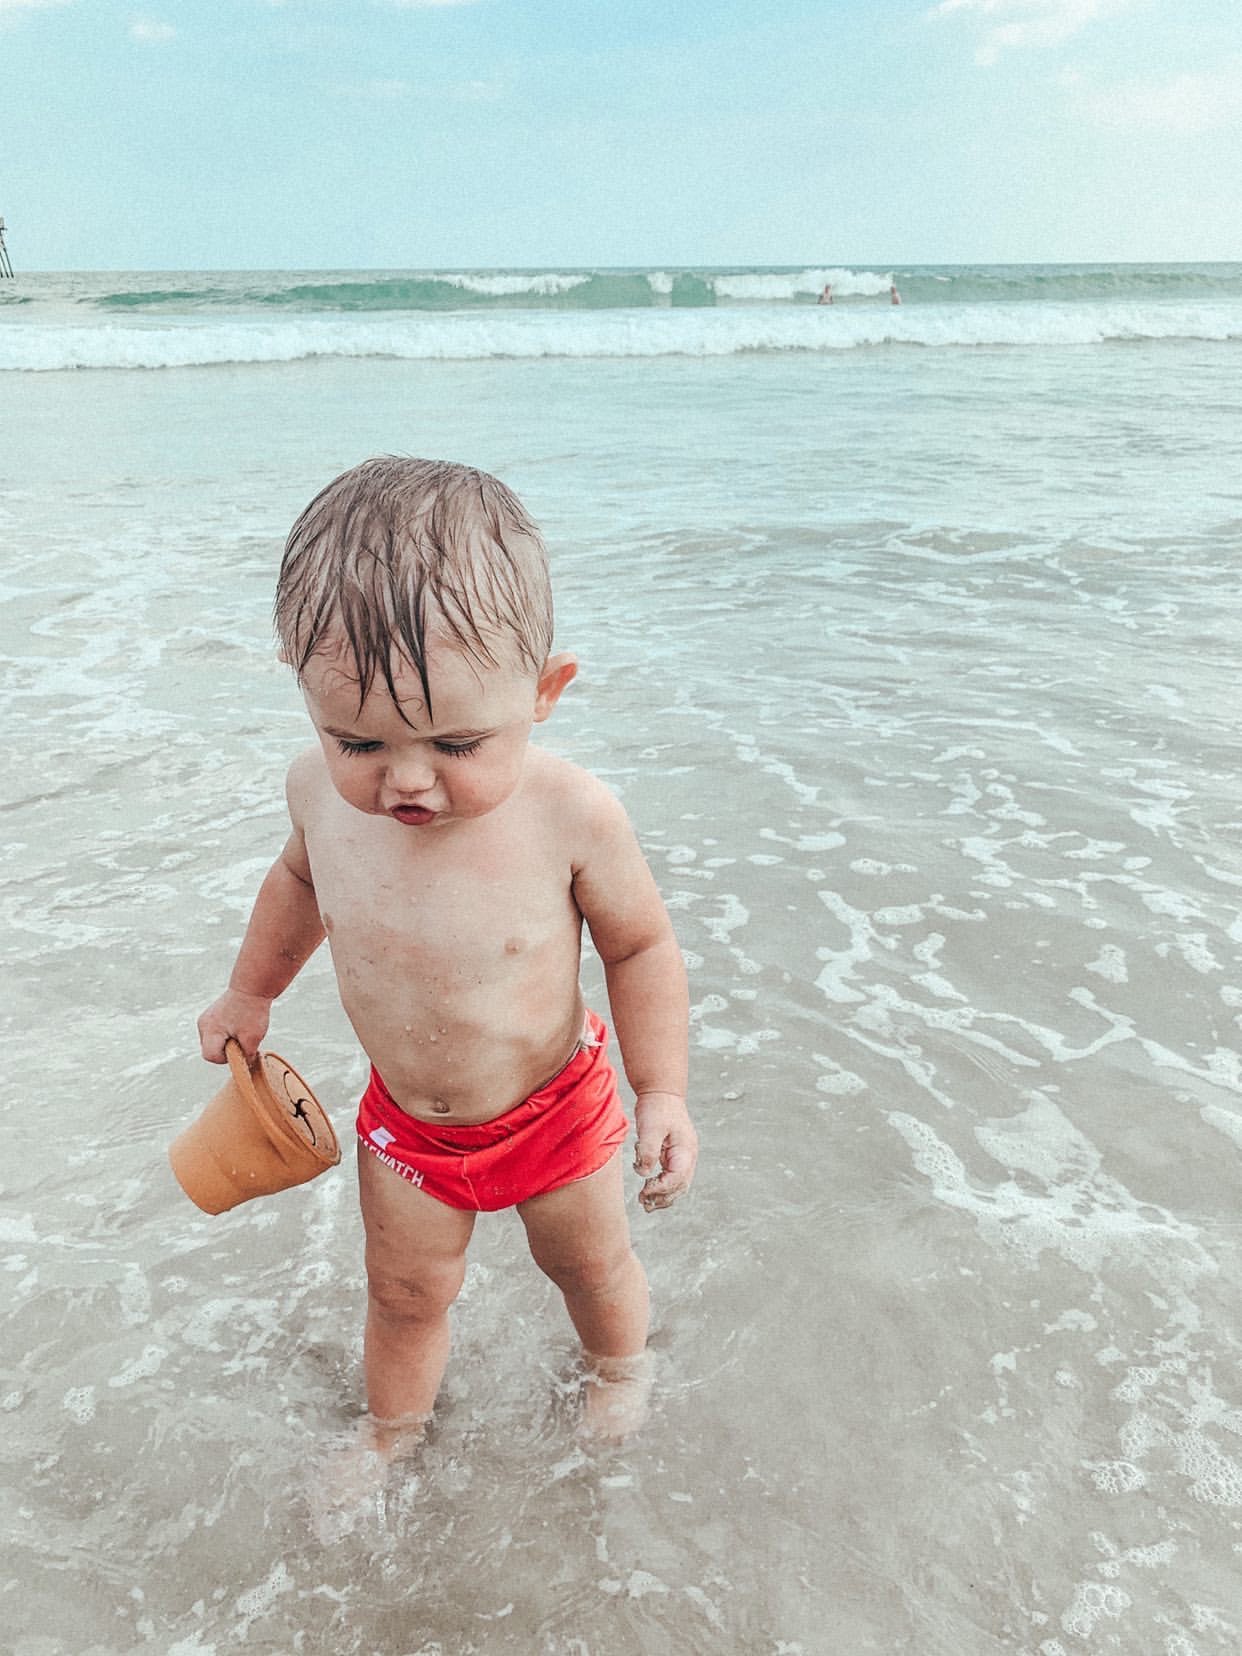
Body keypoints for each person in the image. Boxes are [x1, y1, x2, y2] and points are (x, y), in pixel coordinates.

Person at [196, 457, 696, 1449]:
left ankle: (617, 1371)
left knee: (591, 1268)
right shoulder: (315, 797)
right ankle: (391, 1434)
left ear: (545, 691)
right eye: (359, 743)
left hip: (557, 1115)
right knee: (405, 1294)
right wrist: (250, 994)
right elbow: (297, 887)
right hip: (409, 1130)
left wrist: (664, 1092)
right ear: (304, 693)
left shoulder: (571, 813)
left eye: (458, 746)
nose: (405, 781)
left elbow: (640, 947)